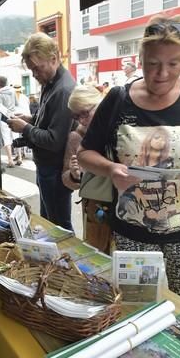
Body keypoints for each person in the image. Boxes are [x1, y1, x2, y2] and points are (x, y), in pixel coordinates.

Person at [78, 14, 180, 302]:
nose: (161, 73)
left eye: (173, 64)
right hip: (132, 234)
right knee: (134, 306)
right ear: (140, 59)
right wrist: (112, 169)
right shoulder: (117, 99)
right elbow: (85, 154)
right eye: (152, 64)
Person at [7, 32, 76, 230]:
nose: (35, 75)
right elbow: (50, 123)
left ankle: (65, 260)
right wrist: (30, 119)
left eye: (37, 69)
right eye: (32, 70)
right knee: (49, 220)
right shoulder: (50, 82)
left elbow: (54, 140)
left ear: (53, 59)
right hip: (47, 166)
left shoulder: (63, 90)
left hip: (54, 169)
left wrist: (26, 128)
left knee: (59, 226)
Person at [63, 85, 111, 252]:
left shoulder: (119, 129)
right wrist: (75, 175)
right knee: (97, 251)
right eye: (76, 115)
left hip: (125, 206)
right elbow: (66, 177)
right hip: (96, 208)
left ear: (100, 104)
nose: (81, 120)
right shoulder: (76, 137)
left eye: (85, 112)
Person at [0, 76, 18, 168]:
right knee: (15, 136)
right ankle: (20, 157)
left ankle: (10, 160)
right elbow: (16, 103)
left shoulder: (0, 93)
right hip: (14, 115)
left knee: (7, 139)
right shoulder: (13, 91)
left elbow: (0, 107)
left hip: (4, 118)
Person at [12, 84, 30, 162]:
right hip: (26, 117)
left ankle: (19, 155)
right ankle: (22, 154)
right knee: (24, 136)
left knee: (17, 137)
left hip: (17, 118)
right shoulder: (25, 97)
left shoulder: (13, 97)